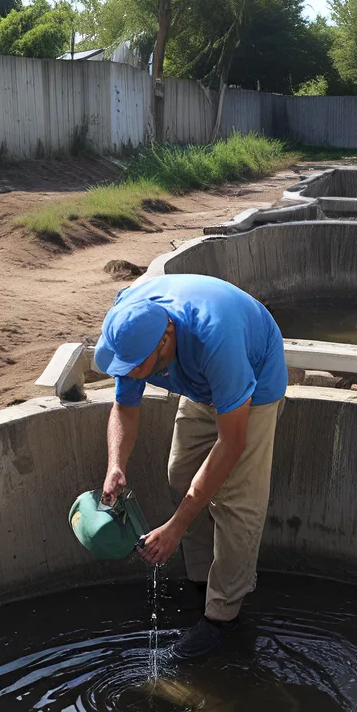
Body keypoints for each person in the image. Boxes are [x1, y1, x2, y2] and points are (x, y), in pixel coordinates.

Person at [95, 273, 288, 659]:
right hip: (200, 382)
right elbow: (124, 407)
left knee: (237, 501)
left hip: (253, 378)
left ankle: (223, 617)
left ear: (164, 341)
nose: (131, 373)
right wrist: (115, 465)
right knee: (180, 475)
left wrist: (176, 526)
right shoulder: (132, 323)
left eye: (137, 367)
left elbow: (231, 444)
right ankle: (202, 582)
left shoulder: (218, 340)